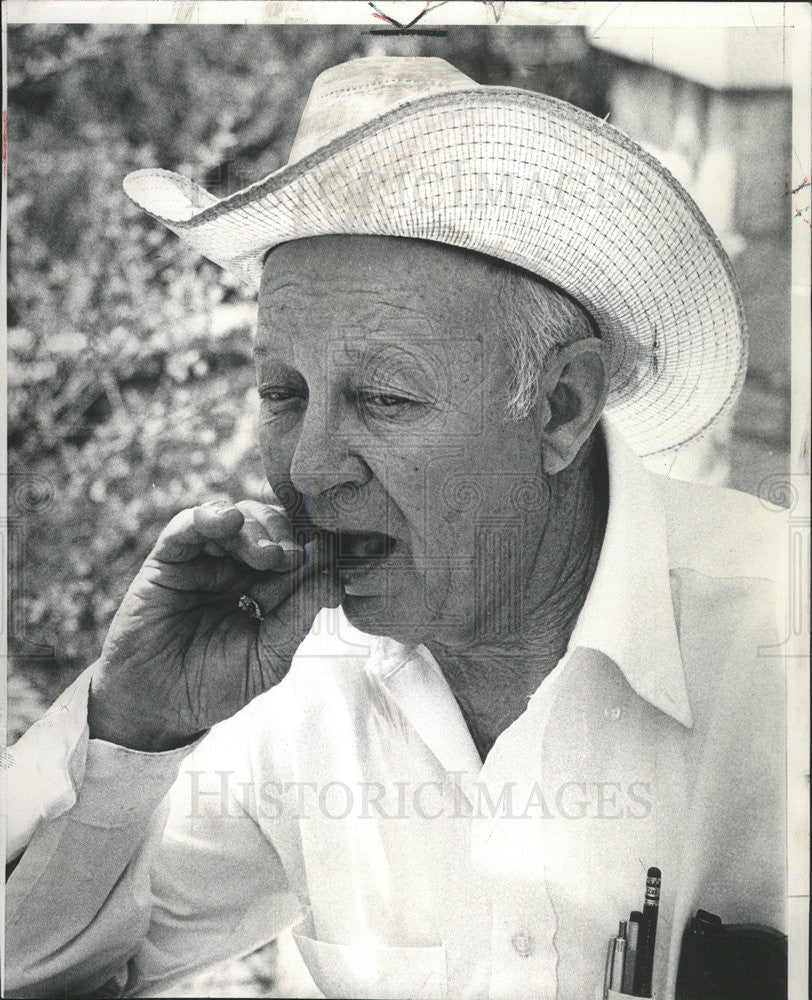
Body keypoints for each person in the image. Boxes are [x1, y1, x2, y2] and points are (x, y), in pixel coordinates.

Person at [5, 57, 786, 1000]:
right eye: (283, 394)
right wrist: (133, 729)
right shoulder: (300, 680)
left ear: (561, 408)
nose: (306, 467)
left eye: (382, 397)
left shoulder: (779, 640)